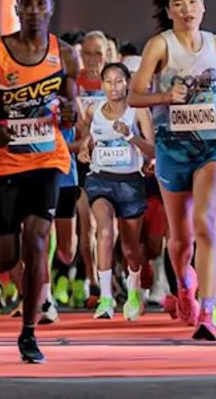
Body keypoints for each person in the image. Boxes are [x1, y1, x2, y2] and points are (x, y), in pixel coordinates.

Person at [0, 0, 81, 364]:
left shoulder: (64, 53)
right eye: (25, 4)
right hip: (8, 161)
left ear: (50, 8)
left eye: (39, 4)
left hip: (48, 159)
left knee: (38, 243)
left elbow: (72, 106)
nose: (32, 11)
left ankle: (28, 333)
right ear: (16, 9)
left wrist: (69, 113)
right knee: (9, 257)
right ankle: (20, 283)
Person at [131, 0, 216, 342]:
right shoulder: (160, 45)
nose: (187, 9)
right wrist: (166, 98)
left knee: (205, 222)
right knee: (180, 239)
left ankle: (208, 308)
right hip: (172, 148)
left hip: (212, 145)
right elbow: (136, 96)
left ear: (204, 6)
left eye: (193, 2)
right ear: (168, 11)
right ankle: (185, 284)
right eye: (179, 3)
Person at [80, 61, 156, 321]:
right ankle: (105, 298)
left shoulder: (138, 112)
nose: (114, 87)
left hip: (130, 183)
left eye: (119, 81)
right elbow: (87, 139)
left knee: (130, 247)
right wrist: (84, 149)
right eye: (108, 81)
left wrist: (130, 136)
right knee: (103, 230)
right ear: (102, 85)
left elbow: (153, 151)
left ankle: (133, 291)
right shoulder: (93, 111)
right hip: (100, 180)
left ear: (127, 83)